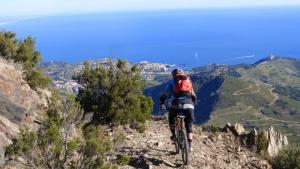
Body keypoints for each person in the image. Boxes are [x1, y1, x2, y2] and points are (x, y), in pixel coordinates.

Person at [160, 68, 196, 151]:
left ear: (173, 75)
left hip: (176, 104)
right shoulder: (187, 81)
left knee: (171, 118)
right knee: (188, 125)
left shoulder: (171, 82)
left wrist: (162, 103)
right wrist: (192, 104)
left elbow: (164, 95)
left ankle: (174, 135)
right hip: (189, 104)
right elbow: (193, 95)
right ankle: (190, 145)